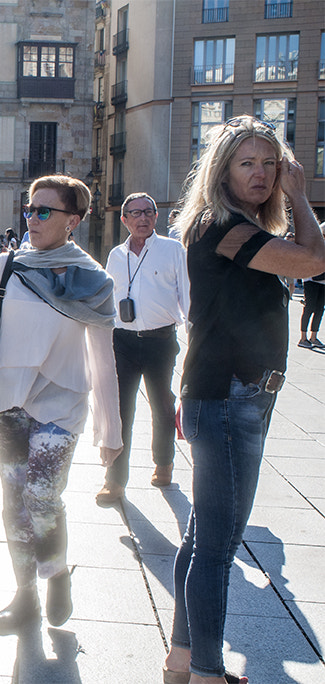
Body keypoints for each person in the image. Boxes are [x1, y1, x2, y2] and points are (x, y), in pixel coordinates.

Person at [163, 115, 325, 684]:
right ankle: (206, 671)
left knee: (202, 536)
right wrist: (301, 198)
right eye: (247, 163)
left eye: (270, 164)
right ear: (222, 170)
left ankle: (182, 660)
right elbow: (312, 260)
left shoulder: (232, 228)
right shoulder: (223, 227)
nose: (261, 174)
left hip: (229, 395)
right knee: (218, 544)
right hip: (230, 399)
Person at [0, 174, 122, 636]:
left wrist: (111, 431)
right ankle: (24, 594)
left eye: (44, 211)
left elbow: (103, 360)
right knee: (13, 501)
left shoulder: (94, 280)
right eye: (29, 210)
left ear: (72, 220)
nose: (32, 218)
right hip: (6, 401)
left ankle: (55, 572)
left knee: (41, 495)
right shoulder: (6, 265)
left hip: (62, 401)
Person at [96, 192, 189, 506]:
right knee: (120, 411)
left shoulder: (173, 250)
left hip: (161, 341)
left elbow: (187, 296)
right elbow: (109, 297)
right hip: (122, 342)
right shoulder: (115, 255)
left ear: (156, 217)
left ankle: (164, 463)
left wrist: (196, 336)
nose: (142, 218)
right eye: (135, 213)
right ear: (124, 220)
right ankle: (115, 481)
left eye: (148, 212)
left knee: (162, 406)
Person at [297, 247, 325, 349]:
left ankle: (314, 337)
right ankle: (303, 338)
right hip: (310, 279)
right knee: (309, 308)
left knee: (320, 309)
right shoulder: (316, 242)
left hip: (323, 280)